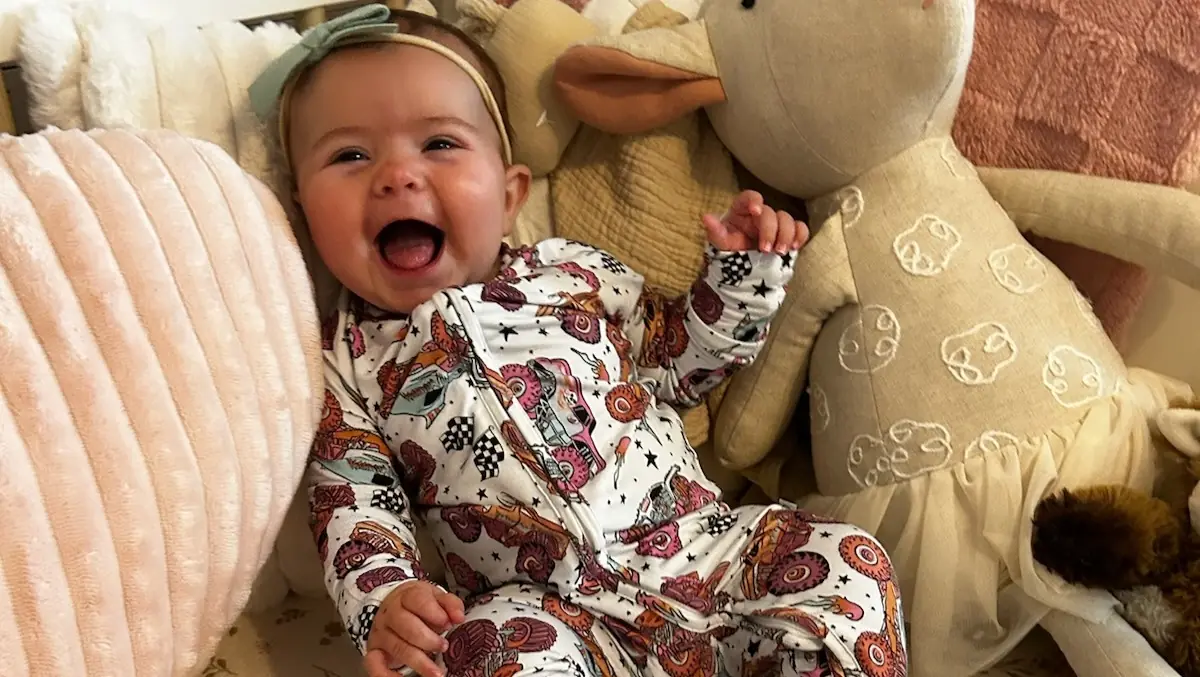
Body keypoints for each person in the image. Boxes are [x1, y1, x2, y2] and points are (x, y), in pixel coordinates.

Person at [249, 5, 907, 677]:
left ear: (510, 196)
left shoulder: (574, 273)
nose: (397, 175)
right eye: (350, 155)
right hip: (547, 615)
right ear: (302, 211)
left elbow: (679, 364)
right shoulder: (344, 362)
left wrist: (740, 278)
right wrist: (387, 602)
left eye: (439, 143)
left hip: (705, 551)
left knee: (847, 564)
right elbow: (354, 501)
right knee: (483, 651)